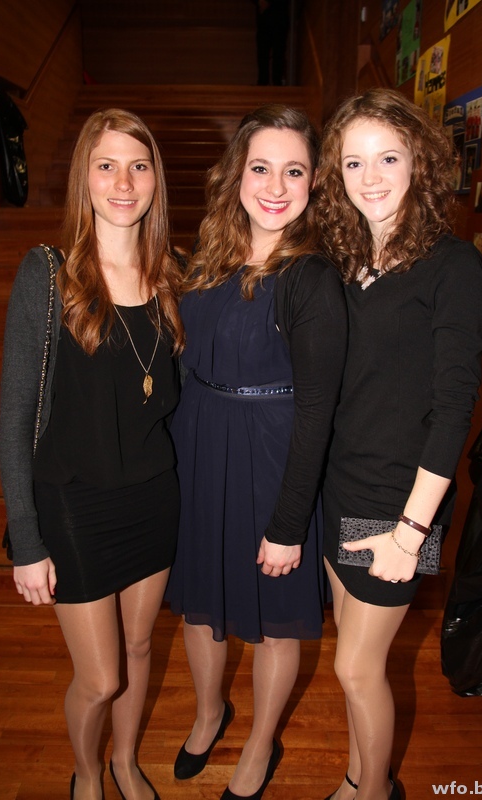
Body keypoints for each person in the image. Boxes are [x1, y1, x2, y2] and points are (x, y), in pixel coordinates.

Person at [0, 108, 185, 800]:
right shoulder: (47, 275)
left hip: (153, 497)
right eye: (106, 166)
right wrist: (26, 540)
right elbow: (15, 418)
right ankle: (87, 771)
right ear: (85, 177)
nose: (123, 182)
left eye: (138, 166)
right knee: (101, 677)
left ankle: (127, 762)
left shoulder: (172, 275)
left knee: (138, 650)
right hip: (73, 503)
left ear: (155, 180)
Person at [166, 104, 347, 799]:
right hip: (200, 447)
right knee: (200, 603)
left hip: (273, 458)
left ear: (314, 182)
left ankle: (261, 743)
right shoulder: (206, 257)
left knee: (274, 621)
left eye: (293, 171)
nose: (275, 186)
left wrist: (288, 523)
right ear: (235, 174)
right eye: (261, 167)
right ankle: (209, 713)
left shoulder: (310, 277)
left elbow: (317, 411)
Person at [315, 88, 482, 800]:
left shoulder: (453, 266)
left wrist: (411, 532)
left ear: (419, 160)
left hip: (399, 504)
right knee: (354, 663)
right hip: (339, 486)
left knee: (356, 668)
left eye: (387, 157)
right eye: (353, 162)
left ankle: (372, 794)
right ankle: (360, 777)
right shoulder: (343, 258)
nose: (371, 177)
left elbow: (453, 411)